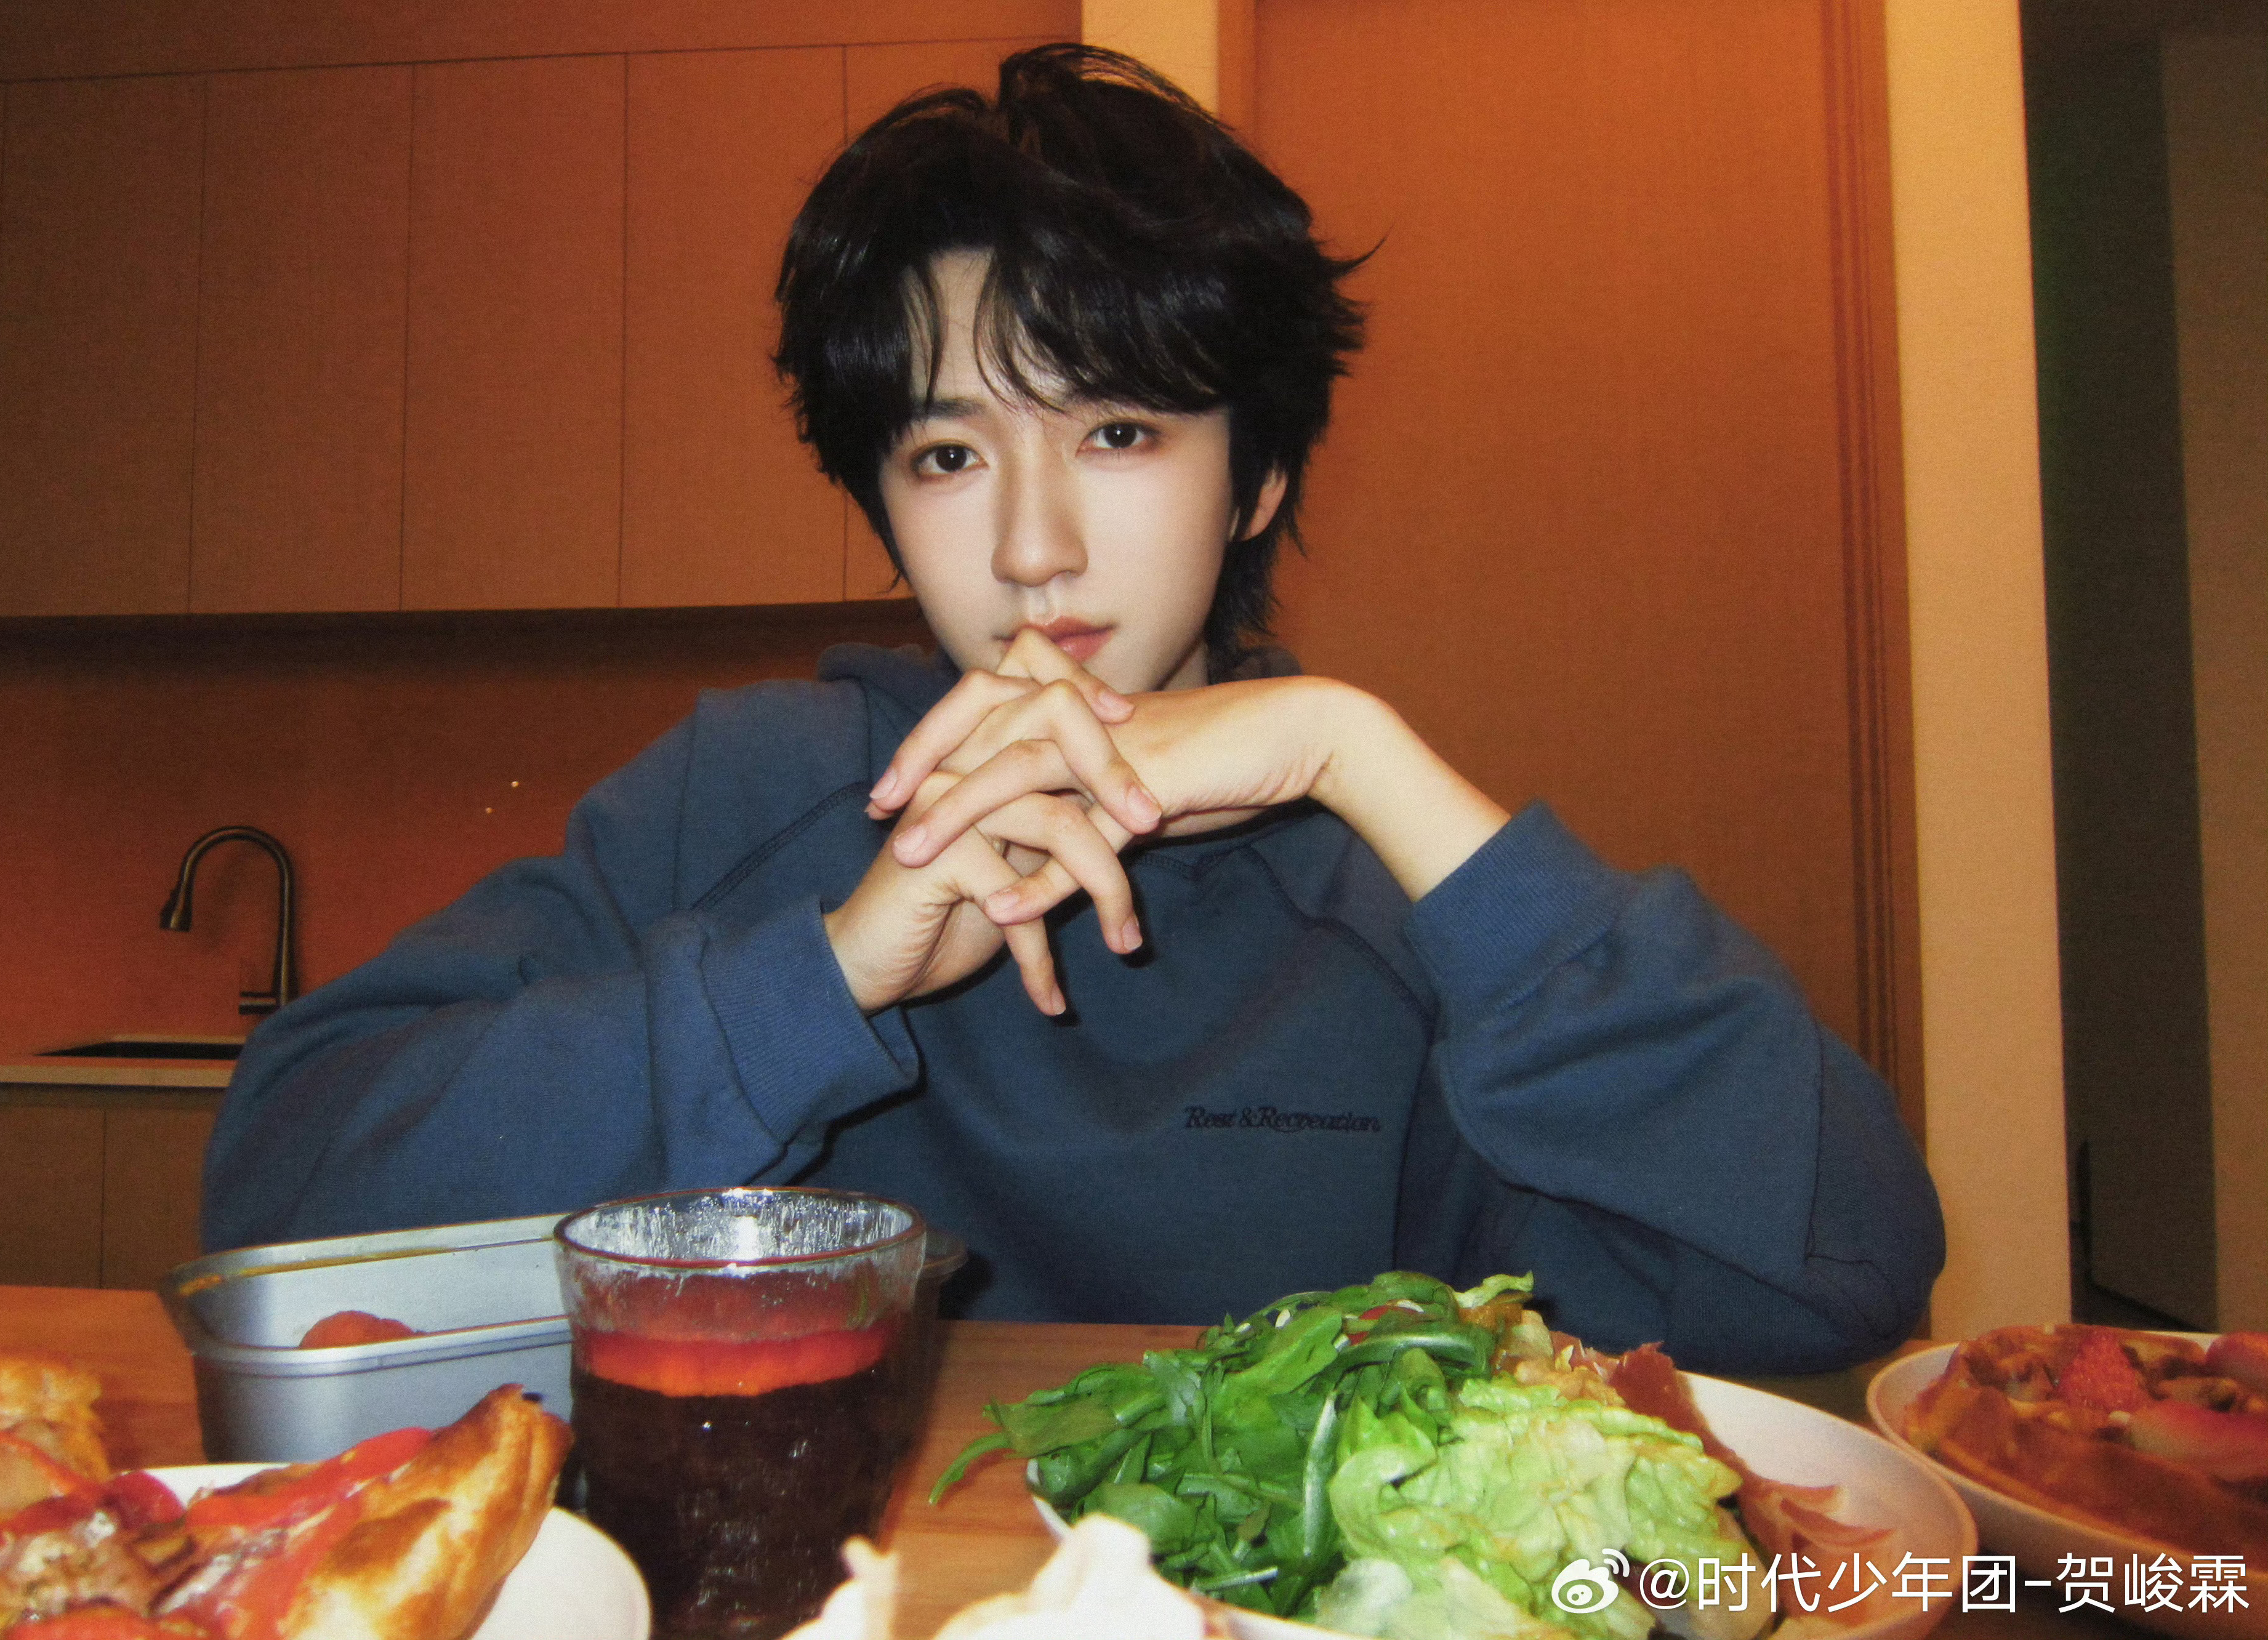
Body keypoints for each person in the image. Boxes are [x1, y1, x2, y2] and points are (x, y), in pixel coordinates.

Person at [201, 45, 1940, 1372]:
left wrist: (1361, 755)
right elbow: (277, 1204)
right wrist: (830, 978)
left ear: (1256, 479)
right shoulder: (754, 792)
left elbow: (1844, 1272)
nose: (1035, 548)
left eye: (1117, 431)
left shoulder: (1378, 894)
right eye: (950, 455)